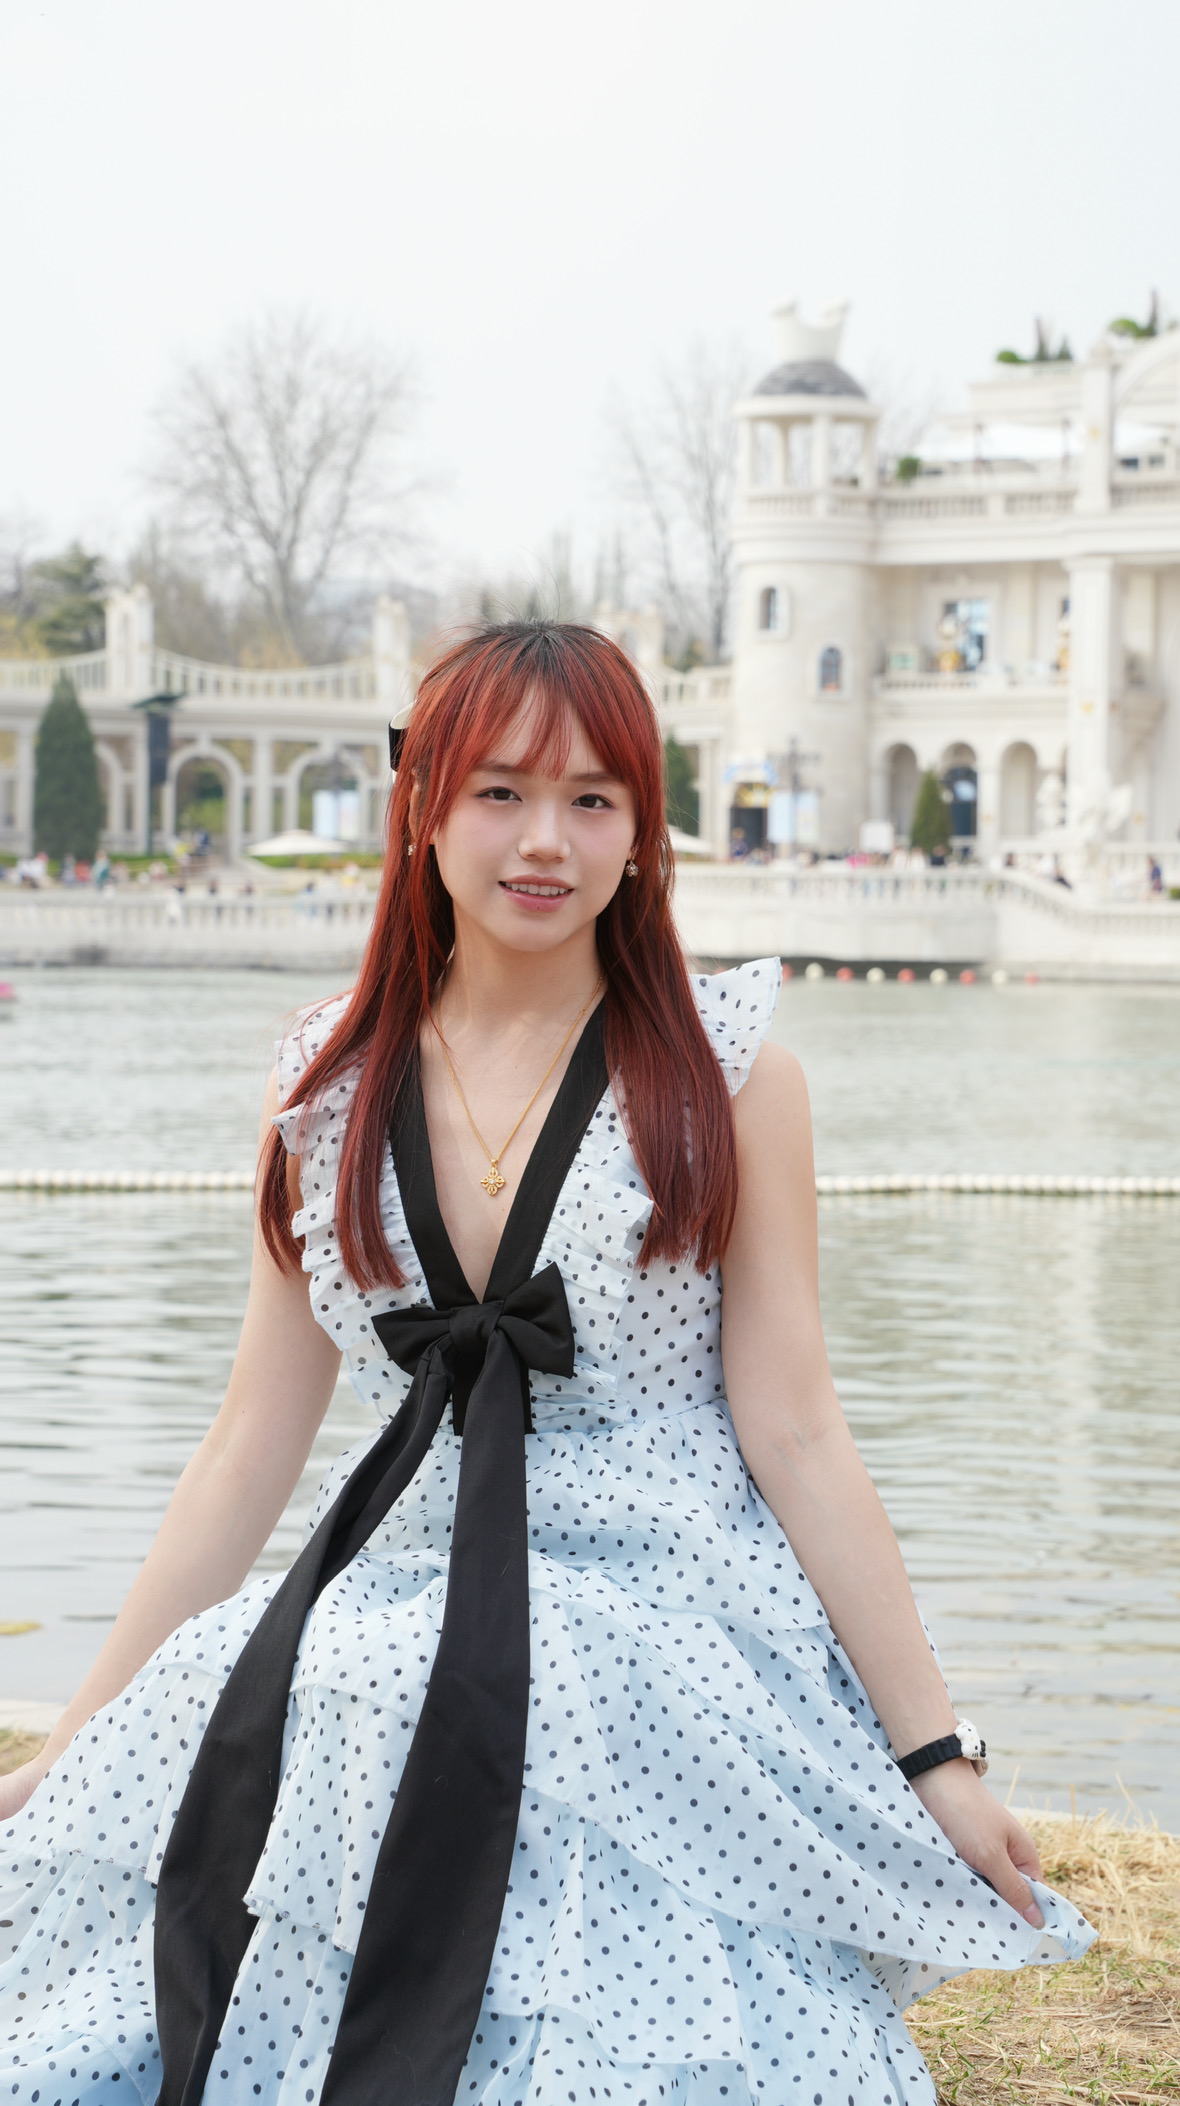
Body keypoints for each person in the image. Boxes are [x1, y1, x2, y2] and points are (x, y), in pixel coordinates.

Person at [0, 622, 1091, 2106]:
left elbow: (799, 1431)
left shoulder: (728, 1078)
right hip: (401, 1576)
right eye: (501, 792)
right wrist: (80, 1739)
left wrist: (936, 1755)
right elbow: (249, 1439)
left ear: (643, 831)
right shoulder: (326, 1086)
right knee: (308, 1685)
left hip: (671, 1594)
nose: (545, 841)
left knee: (507, 1701)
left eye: (593, 799)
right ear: (423, 809)